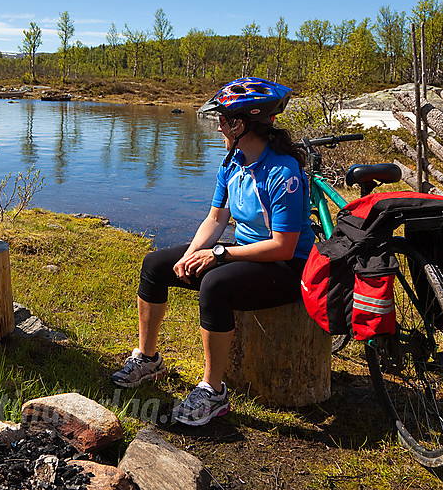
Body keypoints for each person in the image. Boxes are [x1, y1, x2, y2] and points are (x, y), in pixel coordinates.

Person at [111, 77, 315, 426]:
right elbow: (216, 218)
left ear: (241, 123)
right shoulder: (232, 163)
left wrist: (220, 255)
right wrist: (191, 254)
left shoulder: (283, 172)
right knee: (155, 265)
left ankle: (213, 391)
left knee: (215, 285)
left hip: (288, 266)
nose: (218, 125)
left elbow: (284, 245)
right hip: (248, 252)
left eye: (223, 119)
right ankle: (148, 358)